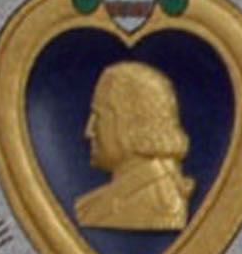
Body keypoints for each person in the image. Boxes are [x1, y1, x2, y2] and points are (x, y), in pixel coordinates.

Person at [74, 60, 197, 233]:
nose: (89, 131)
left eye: (99, 116)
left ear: (130, 124)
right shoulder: (92, 207)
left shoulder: (157, 203)